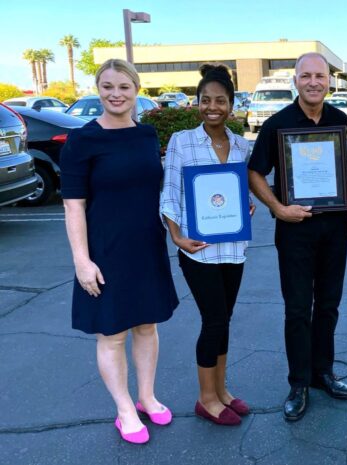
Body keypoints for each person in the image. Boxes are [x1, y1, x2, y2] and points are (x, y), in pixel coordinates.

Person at [60, 59, 179, 444]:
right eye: (108, 86)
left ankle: (146, 397)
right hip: (105, 251)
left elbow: (161, 189)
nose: (116, 94)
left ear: (136, 90)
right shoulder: (83, 140)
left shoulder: (146, 135)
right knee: (112, 333)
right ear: (98, 89)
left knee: (147, 324)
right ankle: (125, 409)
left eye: (124, 87)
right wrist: (82, 260)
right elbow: (73, 205)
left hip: (146, 244)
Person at [248, 52, 347, 422]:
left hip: (335, 227)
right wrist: (277, 208)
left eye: (319, 76)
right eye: (306, 75)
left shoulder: (340, 121)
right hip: (293, 228)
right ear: (295, 80)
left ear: (329, 81)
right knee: (297, 309)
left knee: (328, 304)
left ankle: (323, 372)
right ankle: (298, 382)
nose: (313, 82)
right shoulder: (277, 123)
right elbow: (255, 173)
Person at [160, 64, 253, 426]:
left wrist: (246, 203)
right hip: (197, 248)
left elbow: (236, 192)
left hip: (233, 248)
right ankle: (205, 398)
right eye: (205, 100)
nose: (212, 106)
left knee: (224, 320)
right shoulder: (182, 142)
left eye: (221, 100)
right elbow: (170, 193)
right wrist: (176, 235)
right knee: (213, 320)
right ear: (197, 103)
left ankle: (222, 390)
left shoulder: (242, 145)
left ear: (231, 104)